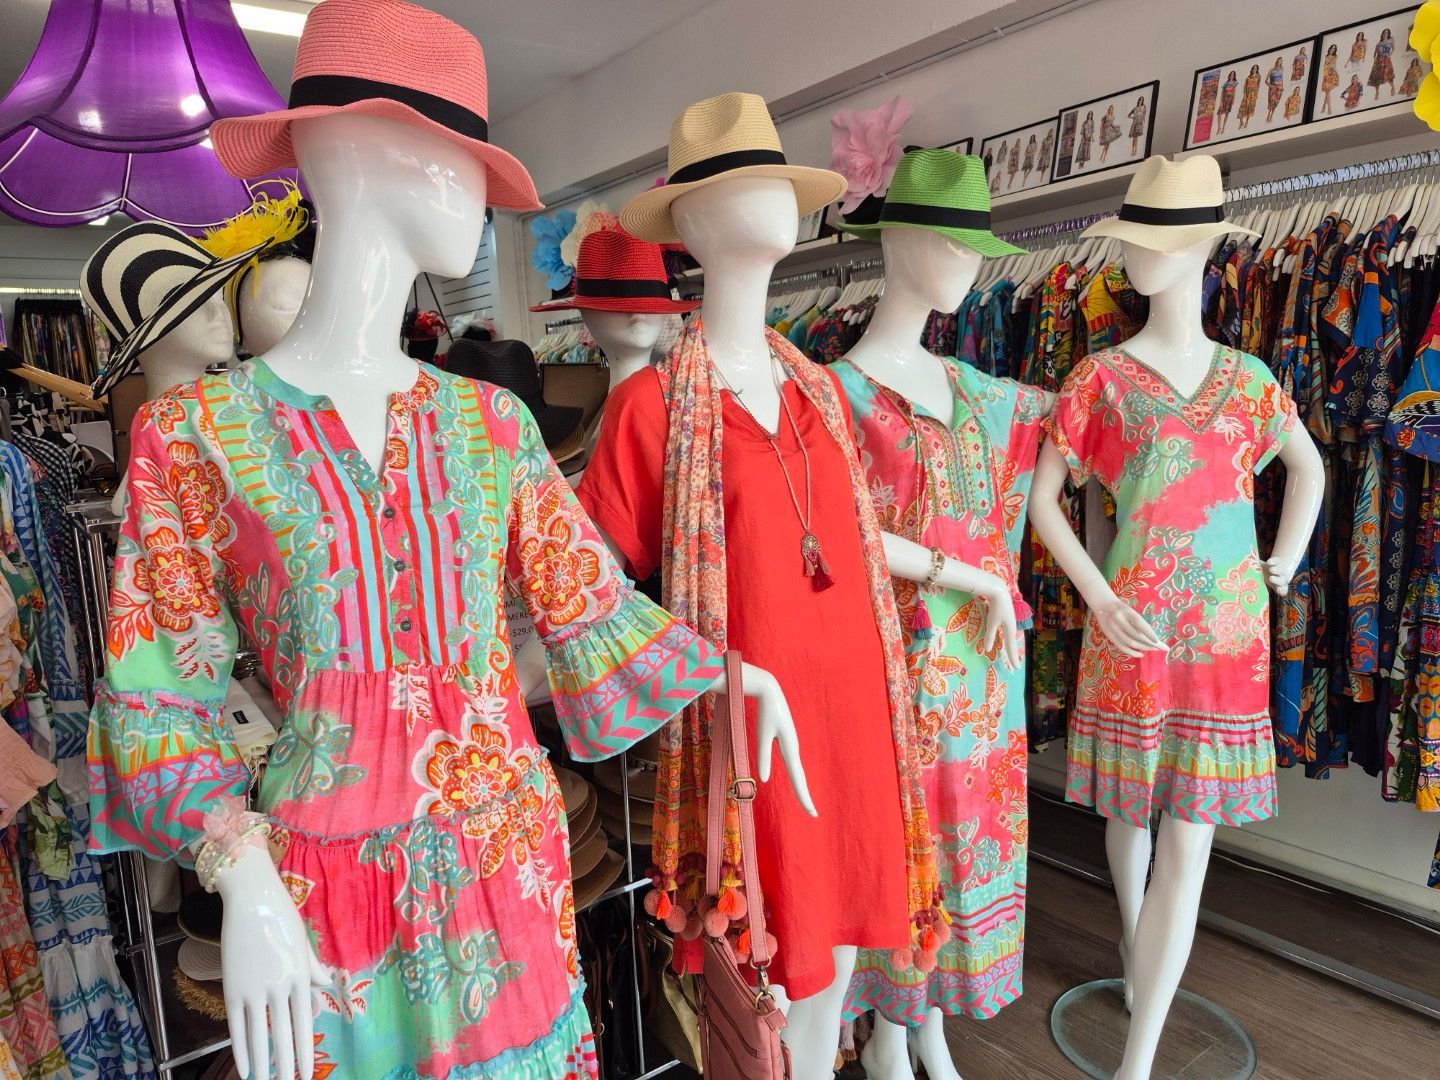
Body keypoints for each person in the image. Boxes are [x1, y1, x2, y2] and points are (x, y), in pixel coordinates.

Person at [1369, 27, 1397, 99]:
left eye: (1387, 33)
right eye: (1384, 33)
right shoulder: (1378, 44)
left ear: (1388, 34)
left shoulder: (1391, 40)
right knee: (1376, 77)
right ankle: (1377, 92)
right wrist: (1375, 59)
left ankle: (1393, 88)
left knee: (1388, 74)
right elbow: (1374, 54)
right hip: (1378, 61)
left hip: (1386, 60)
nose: (1385, 34)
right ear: (1382, 34)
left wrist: (1390, 55)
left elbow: (1393, 48)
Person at [1238, 63, 1261, 129]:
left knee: (1250, 108)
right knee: (1242, 107)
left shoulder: (1258, 76)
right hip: (1247, 94)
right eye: (1253, 68)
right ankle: (1241, 121)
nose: (1254, 69)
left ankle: (1246, 122)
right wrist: (1245, 94)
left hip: (1253, 94)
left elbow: (1258, 86)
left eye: (1256, 68)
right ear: (1252, 69)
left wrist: (1256, 94)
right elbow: (1245, 86)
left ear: (1257, 69)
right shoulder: (1248, 77)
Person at [1321, 43, 1341, 114]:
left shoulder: (1335, 57)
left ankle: (1329, 107)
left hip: (1331, 74)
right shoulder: (1325, 57)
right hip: (1325, 75)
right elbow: (1323, 67)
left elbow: (1334, 66)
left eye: (1334, 49)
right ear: (1329, 49)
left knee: (1328, 91)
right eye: (1332, 48)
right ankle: (1324, 106)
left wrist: (1336, 73)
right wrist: (1324, 75)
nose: (1332, 50)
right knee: (1327, 92)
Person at [1217, 69, 1238, 134]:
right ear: (1229, 75)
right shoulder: (1225, 84)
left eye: (1233, 74)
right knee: (1219, 114)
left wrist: (1234, 99)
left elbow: (1234, 92)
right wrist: (1221, 102)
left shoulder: (1235, 83)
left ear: (1234, 76)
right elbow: (1222, 93)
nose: (1232, 75)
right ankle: (1219, 127)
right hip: (1224, 99)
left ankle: (1223, 127)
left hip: (1230, 100)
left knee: (1227, 113)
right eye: (1231, 74)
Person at [1265, 55, 1285, 122]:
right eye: (1277, 61)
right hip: (1273, 88)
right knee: (1271, 101)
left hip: (1279, 88)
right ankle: (1268, 115)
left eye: (1280, 61)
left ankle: (1271, 115)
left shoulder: (1282, 70)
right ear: (1276, 62)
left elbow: (1281, 79)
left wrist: (1282, 86)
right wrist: (1271, 86)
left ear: (1281, 62)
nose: (1278, 62)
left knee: (1276, 102)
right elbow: (1266, 81)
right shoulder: (1271, 70)